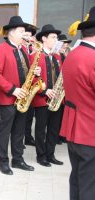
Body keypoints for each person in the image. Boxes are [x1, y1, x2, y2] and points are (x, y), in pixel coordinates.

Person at [0, 16, 38, 175]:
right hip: (8, 98)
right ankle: (3, 161)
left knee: (19, 130)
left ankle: (17, 159)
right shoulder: (1, 48)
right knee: (5, 130)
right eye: (22, 31)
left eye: (25, 31)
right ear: (11, 33)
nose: (25, 34)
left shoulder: (23, 49)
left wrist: (35, 71)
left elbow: (26, 70)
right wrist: (12, 89)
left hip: (23, 97)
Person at [60, 6, 95, 200]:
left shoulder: (73, 54)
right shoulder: (92, 58)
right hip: (90, 131)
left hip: (74, 129)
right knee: (90, 187)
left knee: (78, 180)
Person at [32, 24, 63, 167]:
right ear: (44, 38)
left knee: (54, 129)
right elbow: (32, 78)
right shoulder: (36, 56)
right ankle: (41, 155)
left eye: (56, 37)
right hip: (42, 98)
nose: (56, 40)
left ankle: (50, 154)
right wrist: (44, 91)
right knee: (40, 129)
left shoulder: (57, 56)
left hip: (57, 98)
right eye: (53, 37)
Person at [22, 25, 38, 147]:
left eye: (30, 35)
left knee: (29, 115)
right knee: (21, 116)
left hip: (31, 86)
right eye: (26, 35)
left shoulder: (32, 48)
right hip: (22, 86)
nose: (28, 37)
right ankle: (19, 138)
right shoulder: (20, 48)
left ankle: (27, 136)